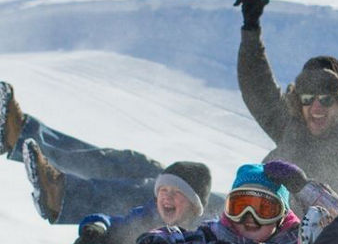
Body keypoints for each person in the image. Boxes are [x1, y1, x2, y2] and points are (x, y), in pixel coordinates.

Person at [230, 0, 338, 207]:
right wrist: (251, 29)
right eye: (308, 99)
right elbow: (257, 86)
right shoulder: (290, 129)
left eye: (326, 100)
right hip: (273, 231)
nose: (316, 108)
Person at [1, 81, 222, 224]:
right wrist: (250, 29)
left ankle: (62, 195)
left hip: (234, 216)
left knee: (159, 195)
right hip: (241, 197)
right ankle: (20, 133)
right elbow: (257, 86)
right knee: (137, 165)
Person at [131, 161, 338, 244]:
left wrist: (303, 187)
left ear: (281, 216)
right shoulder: (215, 236)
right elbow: (176, 238)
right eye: (240, 206)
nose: (248, 217)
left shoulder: (296, 239)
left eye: (263, 209)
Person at [73, 161, 212, 244]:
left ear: (194, 205)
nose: (167, 197)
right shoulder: (147, 218)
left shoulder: (204, 235)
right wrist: (99, 226)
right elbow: (118, 225)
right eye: (163, 190)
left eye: (177, 192)